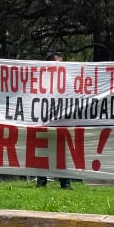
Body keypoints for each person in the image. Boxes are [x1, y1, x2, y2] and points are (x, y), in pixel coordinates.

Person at [35, 51, 72, 190]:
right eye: (57, 63)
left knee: (62, 152)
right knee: (41, 151)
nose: (60, 67)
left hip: (61, 121)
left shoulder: (67, 82)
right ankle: (41, 180)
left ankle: (65, 182)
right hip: (43, 121)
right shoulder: (38, 80)